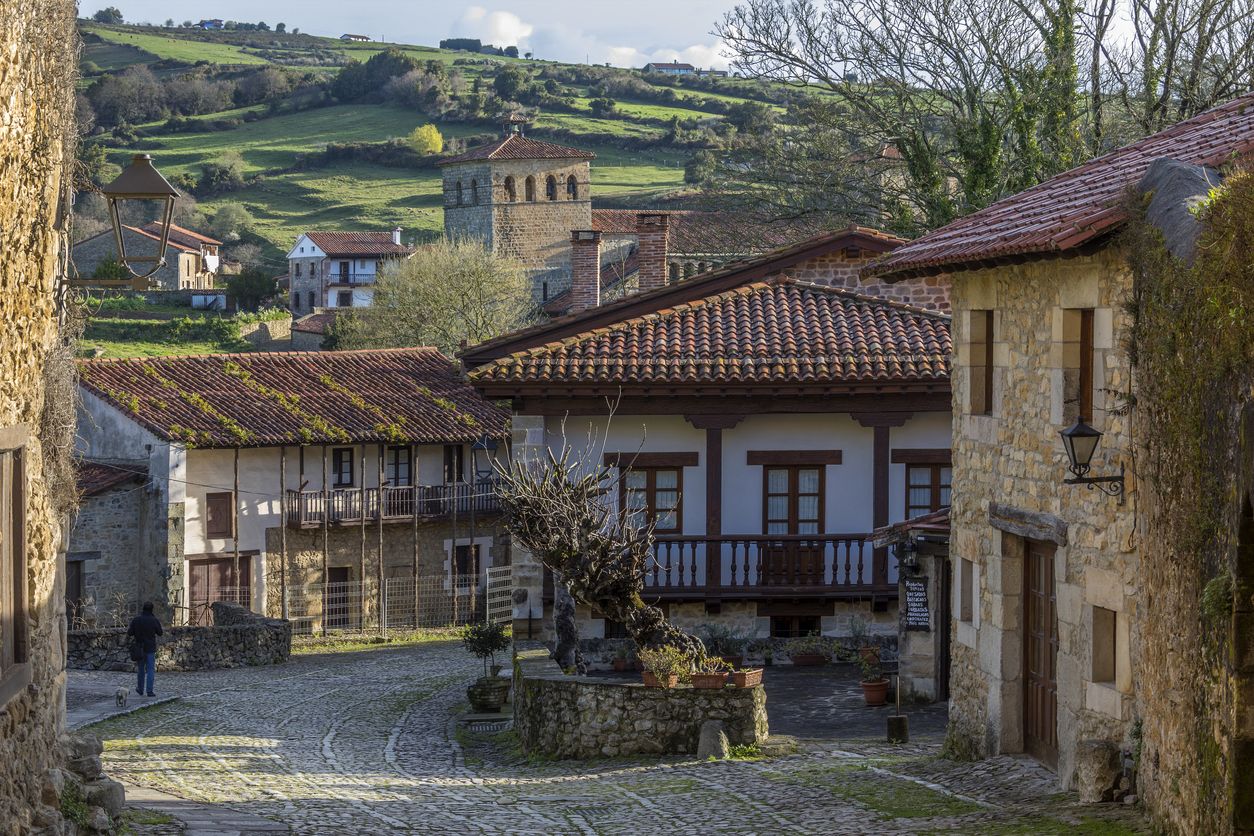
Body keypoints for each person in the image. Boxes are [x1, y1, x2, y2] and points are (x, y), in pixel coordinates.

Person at [127, 602, 163, 697]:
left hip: (140, 647)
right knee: (150, 669)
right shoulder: (154, 620)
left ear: (143, 609)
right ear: (152, 609)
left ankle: (140, 689)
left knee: (141, 669)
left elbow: (130, 632)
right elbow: (160, 632)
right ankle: (149, 691)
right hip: (150, 647)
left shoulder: (136, 620)